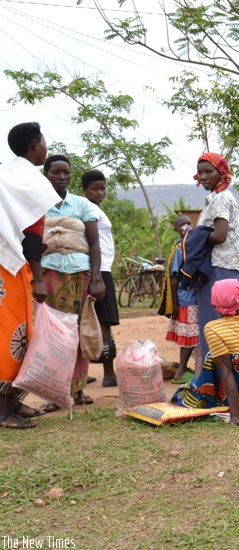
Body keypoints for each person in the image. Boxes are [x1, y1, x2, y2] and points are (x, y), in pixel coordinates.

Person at [0, 122, 59, 429]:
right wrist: (39, 278)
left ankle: (12, 401)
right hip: (9, 269)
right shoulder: (30, 181)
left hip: (8, 261)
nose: (46, 147)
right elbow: (33, 234)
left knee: (18, 333)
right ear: (35, 145)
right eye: (44, 141)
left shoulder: (8, 175)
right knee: (13, 334)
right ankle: (2, 410)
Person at [40, 155, 106, 412]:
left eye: (66, 172)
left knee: (79, 329)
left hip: (80, 274)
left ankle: (78, 389)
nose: (62, 177)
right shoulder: (37, 204)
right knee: (53, 333)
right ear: (46, 174)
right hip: (49, 274)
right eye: (56, 172)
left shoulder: (82, 204)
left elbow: (94, 244)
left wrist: (97, 277)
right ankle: (54, 393)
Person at [170, 279, 239, 428]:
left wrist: (235, 416)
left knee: (183, 394)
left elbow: (226, 371)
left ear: (214, 306)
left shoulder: (213, 329)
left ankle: (229, 405)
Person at [193, 152, 239, 363]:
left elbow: (220, 235)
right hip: (223, 268)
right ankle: (222, 373)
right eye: (200, 173)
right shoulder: (217, 197)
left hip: (217, 268)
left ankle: (214, 374)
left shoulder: (221, 198)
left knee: (214, 326)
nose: (203, 177)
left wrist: (193, 239)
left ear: (221, 173)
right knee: (224, 326)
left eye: (208, 172)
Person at [81, 170, 118, 387]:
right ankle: (109, 374)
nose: (99, 192)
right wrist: (97, 276)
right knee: (104, 321)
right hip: (99, 270)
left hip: (98, 269)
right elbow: (93, 240)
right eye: (94, 189)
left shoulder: (92, 208)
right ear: (84, 190)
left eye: (102, 188)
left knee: (89, 320)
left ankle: (83, 372)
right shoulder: (90, 209)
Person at [158, 215, 200, 383]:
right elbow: (174, 277)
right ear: (176, 230)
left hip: (192, 297)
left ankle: (184, 367)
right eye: (182, 225)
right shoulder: (179, 248)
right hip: (186, 298)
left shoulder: (192, 245)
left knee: (191, 336)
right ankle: (182, 369)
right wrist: (175, 302)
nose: (186, 226)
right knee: (190, 336)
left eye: (188, 223)